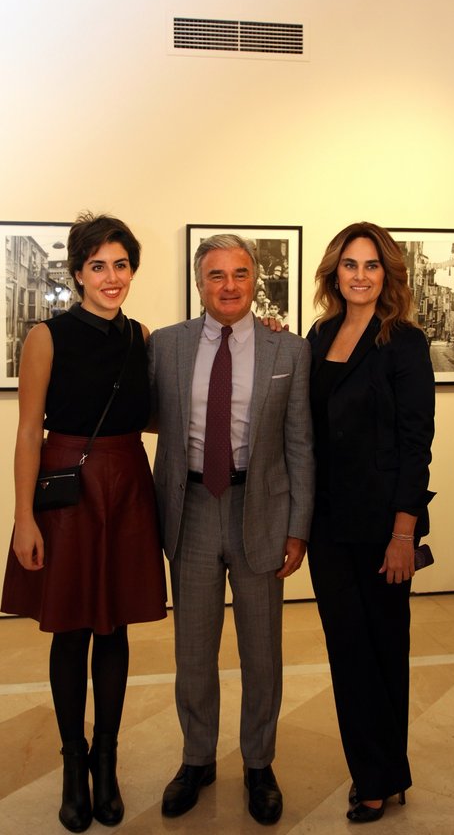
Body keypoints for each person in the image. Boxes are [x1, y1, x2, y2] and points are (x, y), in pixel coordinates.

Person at [1, 213, 167, 833]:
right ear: (77, 273)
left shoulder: (142, 337)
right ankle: (74, 762)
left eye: (121, 264)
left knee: (115, 628)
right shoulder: (46, 337)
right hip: (67, 490)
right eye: (98, 266)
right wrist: (23, 517)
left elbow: (150, 417)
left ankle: (106, 759)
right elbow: (28, 432)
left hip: (128, 487)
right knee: (71, 631)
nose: (111, 277)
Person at [148, 233, 315, 825]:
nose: (229, 285)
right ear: (199, 283)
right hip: (190, 508)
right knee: (193, 651)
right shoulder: (165, 345)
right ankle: (196, 759)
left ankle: (259, 763)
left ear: (255, 280)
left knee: (261, 651)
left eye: (240, 273)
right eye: (216, 275)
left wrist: (298, 527)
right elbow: (141, 415)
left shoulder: (287, 350)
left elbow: (300, 443)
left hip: (260, 509)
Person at [306, 222, 435, 824]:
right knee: (346, 650)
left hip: (385, 525)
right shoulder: (319, 335)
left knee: (384, 647)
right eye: (350, 265)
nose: (360, 276)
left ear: (388, 274)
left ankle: (382, 777)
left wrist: (404, 532)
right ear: (335, 272)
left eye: (371, 265)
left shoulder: (404, 342)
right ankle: (372, 771)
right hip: (327, 522)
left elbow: (416, 443)